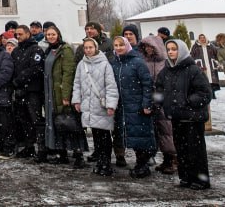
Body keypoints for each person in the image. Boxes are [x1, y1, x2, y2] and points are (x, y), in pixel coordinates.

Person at [158, 39, 212, 191]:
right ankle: (186, 176)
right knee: (181, 149)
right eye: (168, 49)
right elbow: (159, 90)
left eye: (174, 49)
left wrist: (187, 101)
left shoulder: (193, 70)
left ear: (180, 50)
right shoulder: (166, 71)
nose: (170, 52)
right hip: (176, 117)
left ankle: (201, 179)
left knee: (196, 150)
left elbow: (204, 93)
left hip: (192, 118)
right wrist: (161, 103)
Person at [125, 23, 176, 174]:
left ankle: (171, 159)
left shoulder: (164, 63)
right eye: (145, 46)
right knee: (151, 131)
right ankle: (150, 157)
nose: (148, 49)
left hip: (163, 101)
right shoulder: (142, 61)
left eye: (151, 46)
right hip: (148, 99)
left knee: (167, 131)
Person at [109, 35, 156, 178]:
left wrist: (146, 103)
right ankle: (139, 164)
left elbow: (147, 84)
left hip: (136, 106)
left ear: (127, 45)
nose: (118, 48)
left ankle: (142, 164)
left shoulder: (137, 62)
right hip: (122, 106)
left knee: (140, 136)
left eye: (121, 45)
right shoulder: (114, 63)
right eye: (116, 46)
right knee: (129, 135)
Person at [41, 25, 88, 167]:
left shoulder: (65, 50)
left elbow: (68, 74)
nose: (50, 37)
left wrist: (66, 96)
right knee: (58, 124)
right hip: (51, 93)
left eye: (53, 34)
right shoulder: (49, 50)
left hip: (61, 92)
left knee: (70, 124)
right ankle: (62, 154)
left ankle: (78, 155)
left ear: (58, 34)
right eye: (48, 35)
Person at [72, 37, 119, 176]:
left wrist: (111, 104)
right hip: (88, 105)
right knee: (96, 136)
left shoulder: (105, 64)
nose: (88, 50)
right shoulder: (82, 64)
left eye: (90, 47)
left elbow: (111, 86)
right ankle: (100, 161)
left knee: (104, 136)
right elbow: (77, 84)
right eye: (85, 48)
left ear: (96, 48)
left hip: (101, 105)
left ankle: (106, 163)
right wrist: (77, 101)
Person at [9, 23, 45, 159]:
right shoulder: (16, 51)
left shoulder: (36, 50)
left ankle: (42, 149)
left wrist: (20, 79)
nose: (18, 37)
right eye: (16, 35)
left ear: (28, 34)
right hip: (19, 91)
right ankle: (29, 147)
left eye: (20, 34)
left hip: (32, 91)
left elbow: (35, 69)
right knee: (24, 120)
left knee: (36, 120)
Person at [191, 34, 221, 98]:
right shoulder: (195, 46)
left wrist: (217, 62)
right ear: (199, 39)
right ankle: (206, 93)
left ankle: (212, 93)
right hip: (201, 65)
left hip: (211, 65)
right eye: (201, 38)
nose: (202, 39)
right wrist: (195, 63)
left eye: (203, 38)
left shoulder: (211, 46)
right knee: (204, 79)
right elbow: (192, 55)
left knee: (212, 80)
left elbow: (216, 54)